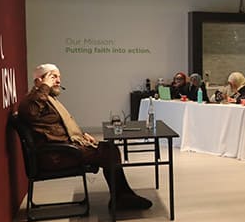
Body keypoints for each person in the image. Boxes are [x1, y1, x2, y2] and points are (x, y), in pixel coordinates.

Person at [18, 64, 152, 210]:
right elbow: (31, 113)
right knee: (109, 152)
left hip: (63, 149)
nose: (57, 81)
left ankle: (122, 196)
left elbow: (59, 127)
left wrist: (82, 136)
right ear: (38, 81)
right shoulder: (32, 100)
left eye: (59, 77)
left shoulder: (48, 100)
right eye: (52, 77)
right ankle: (121, 197)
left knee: (110, 148)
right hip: (56, 155)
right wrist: (44, 86)